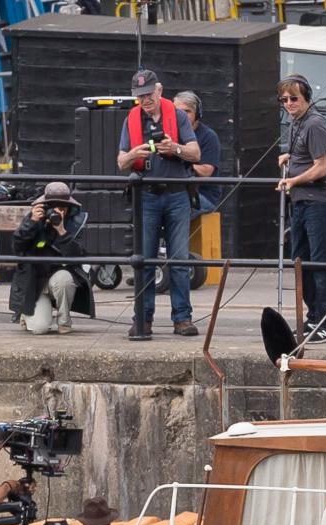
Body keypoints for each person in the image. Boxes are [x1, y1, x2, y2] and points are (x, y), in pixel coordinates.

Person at [117, 69, 201, 339]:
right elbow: (120, 162)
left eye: (148, 94)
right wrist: (133, 154)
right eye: (139, 96)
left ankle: (182, 319)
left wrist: (173, 148)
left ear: (159, 90)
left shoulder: (177, 116)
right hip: (147, 195)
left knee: (178, 259)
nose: (145, 100)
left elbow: (195, 153)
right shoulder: (131, 119)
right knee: (144, 261)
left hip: (176, 194)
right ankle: (143, 319)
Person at [277, 73, 326, 341]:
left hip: (318, 202)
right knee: (301, 262)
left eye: (294, 99)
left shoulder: (315, 124)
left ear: (306, 99)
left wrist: (292, 179)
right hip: (301, 201)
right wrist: (289, 157)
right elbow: (306, 155)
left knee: (320, 262)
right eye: (284, 99)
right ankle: (313, 318)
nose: (289, 104)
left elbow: (321, 167)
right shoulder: (295, 123)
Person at [8, 181, 95, 335]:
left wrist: (61, 230)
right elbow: (17, 248)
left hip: (57, 277)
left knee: (65, 279)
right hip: (34, 281)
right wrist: (32, 222)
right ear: (45, 205)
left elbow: (78, 257)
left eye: (62, 207)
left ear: (68, 208)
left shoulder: (76, 222)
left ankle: (64, 321)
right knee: (40, 329)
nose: (57, 211)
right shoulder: (34, 219)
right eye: (52, 206)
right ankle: (25, 314)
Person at [173, 90, 222, 217]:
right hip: (175, 192)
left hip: (202, 196)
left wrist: (181, 165)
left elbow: (206, 171)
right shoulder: (170, 134)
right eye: (178, 111)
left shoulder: (209, 136)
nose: (182, 115)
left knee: (175, 206)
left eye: (187, 111)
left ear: (197, 114)